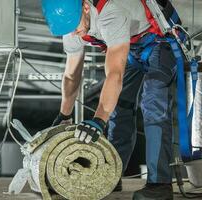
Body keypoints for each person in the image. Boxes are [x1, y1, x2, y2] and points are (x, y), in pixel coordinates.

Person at [43, 0, 181, 199]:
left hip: (158, 41)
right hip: (130, 46)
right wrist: (64, 114)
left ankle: (159, 184)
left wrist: (98, 121)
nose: (73, 34)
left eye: (75, 27)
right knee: (118, 109)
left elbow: (114, 74)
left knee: (153, 102)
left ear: (86, 7)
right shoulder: (71, 25)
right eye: (68, 30)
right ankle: (111, 175)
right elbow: (72, 75)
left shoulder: (110, 14)